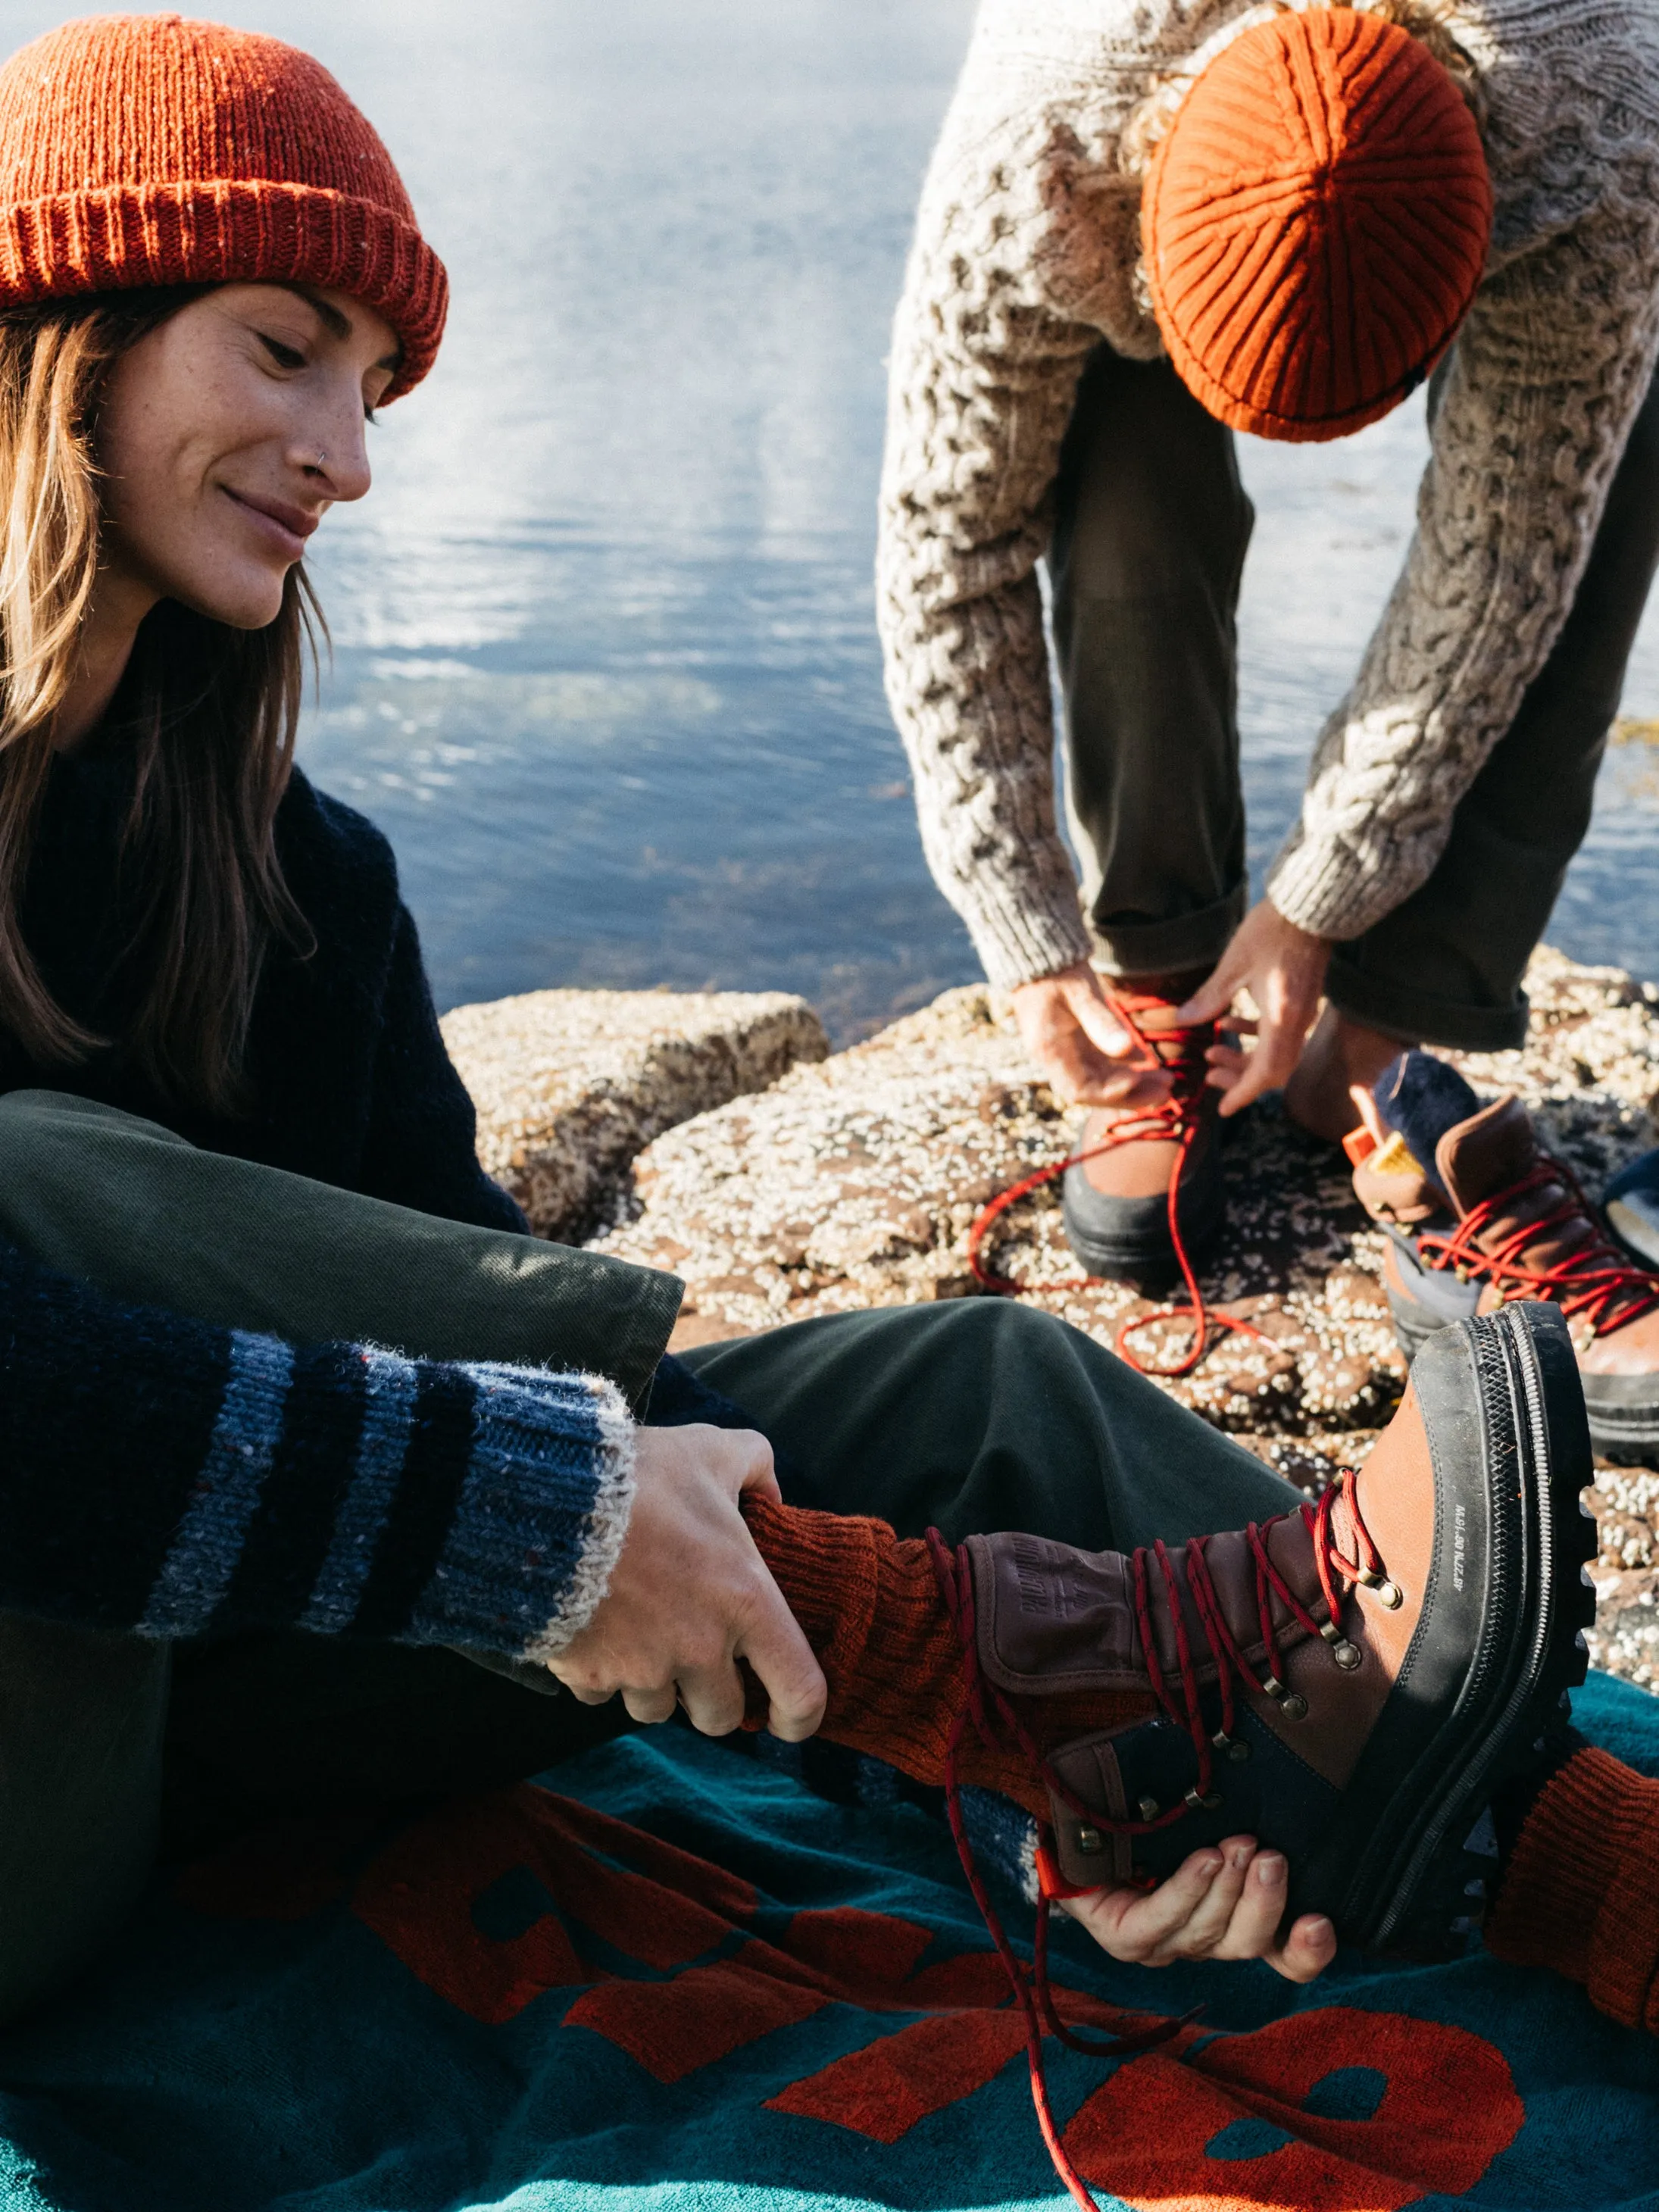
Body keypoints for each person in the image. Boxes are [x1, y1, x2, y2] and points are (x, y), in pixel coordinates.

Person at [0, 17, 1654, 2176]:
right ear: (68, 327)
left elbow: (439, 1303)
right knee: (29, 1200)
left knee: (992, 1404)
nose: (347, 455)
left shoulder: (292, 880)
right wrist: (559, 1515)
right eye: (283, 348)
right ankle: (967, 1652)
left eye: (371, 388)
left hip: (240, 1673)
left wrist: (1020, 1777)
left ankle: (1509, 1838)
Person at [874, 0, 1659, 1370]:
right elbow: (951, 534)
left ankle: (1390, 1030)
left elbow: (1499, 562)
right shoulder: (1041, 137)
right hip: (1121, 176)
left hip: (1544, 158)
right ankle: (1159, 987)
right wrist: (1018, 915)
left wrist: (1322, 898)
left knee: (1596, 479)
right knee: (1112, 446)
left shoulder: (1596, 123)